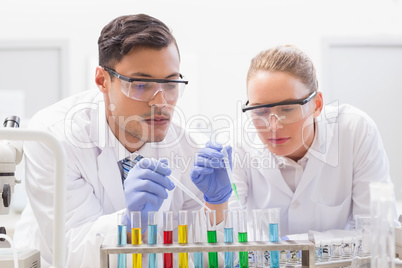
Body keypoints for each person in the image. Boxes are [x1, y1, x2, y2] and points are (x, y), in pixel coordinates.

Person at [14, 14, 231, 267]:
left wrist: (217, 204)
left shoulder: (189, 147)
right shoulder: (56, 137)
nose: (160, 102)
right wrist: (128, 222)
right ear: (102, 81)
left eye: (171, 84)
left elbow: (204, 257)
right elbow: (70, 248)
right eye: (140, 85)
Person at [227, 44, 399, 238]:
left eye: (287, 109)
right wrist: (214, 203)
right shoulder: (238, 140)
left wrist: (296, 247)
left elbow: (378, 232)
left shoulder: (354, 131)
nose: (273, 126)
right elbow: (229, 233)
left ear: (316, 104)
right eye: (260, 111)